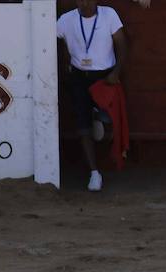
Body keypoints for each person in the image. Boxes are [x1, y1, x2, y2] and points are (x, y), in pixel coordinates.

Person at [57, 0, 126, 192]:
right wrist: (65, 65)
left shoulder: (109, 15)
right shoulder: (66, 20)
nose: (83, 3)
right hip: (79, 76)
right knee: (83, 125)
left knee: (105, 124)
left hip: (104, 77)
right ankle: (94, 172)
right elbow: (52, 41)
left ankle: (104, 163)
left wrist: (116, 73)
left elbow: (122, 44)